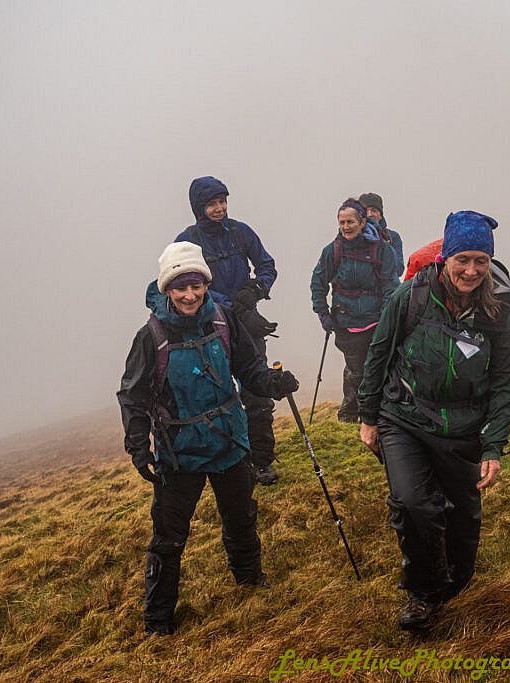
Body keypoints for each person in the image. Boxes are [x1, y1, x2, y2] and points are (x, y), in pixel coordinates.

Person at [357, 211, 510, 631]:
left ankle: (457, 582)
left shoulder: (499, 309)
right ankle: (423, 593)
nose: (471, 270)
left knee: (463, 518)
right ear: (445, 258)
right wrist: (368, 416)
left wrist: (493, 445)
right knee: (414, 504)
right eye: (462, 260)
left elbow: (509, 377)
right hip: (404, 418)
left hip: (464, 428)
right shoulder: (411, 296)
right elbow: (379, 353)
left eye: (480, 261)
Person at [117, 242, 299, 636]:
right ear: (167, 289)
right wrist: (139, 448)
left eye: (196, 285)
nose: (189, 295)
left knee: (241, 517)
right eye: (180, 287)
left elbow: (248, 366)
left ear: (205, 285)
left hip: (229, 442)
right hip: (179, 454)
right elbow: (133, 396)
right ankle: (158, 621)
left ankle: (250, 581)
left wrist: (272, 382)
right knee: (169, 537)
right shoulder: (151, 336)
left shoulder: (222, 319)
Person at [175, 176, 281, 486]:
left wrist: (256, 289)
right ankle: (234, 463)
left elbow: (267, 265)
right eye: (212, 204)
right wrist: (231, 304)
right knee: (219, 398)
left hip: (248, 326)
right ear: (198, 207)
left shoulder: (240, 232)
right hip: (206, 330)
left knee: (257, 394)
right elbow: (180, 283)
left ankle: (262, 461)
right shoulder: (186, 242)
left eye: (222, 201)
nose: (219, 208)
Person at [310, 198, 399, 422]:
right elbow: (318, 282)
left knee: (376, 367)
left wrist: (386, 317)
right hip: (346, 321)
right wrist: (323, 313)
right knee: (355, 369)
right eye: (342, 222)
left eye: (350, 222)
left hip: (376, 321)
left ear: (362, 222)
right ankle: (350, 415)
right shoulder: (333, 251)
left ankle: (374, 416)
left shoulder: (381, 249)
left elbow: (390, 285)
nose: (346, 227)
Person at [359, 192, 405, 277]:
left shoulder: (392, 237)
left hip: (385, 284)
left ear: (381, 216)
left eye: (374, 210)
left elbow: (399, 269)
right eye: (365, 211)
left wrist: (384, 247)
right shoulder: (351, 237)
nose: (369, 214)